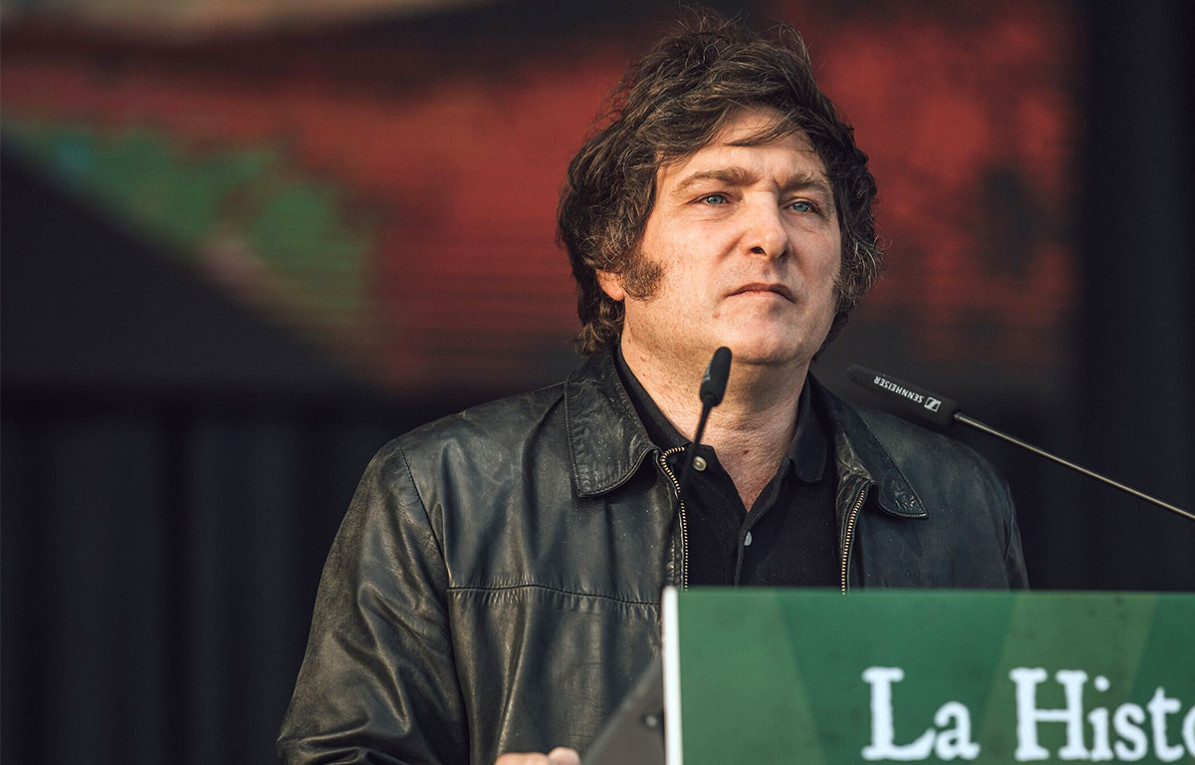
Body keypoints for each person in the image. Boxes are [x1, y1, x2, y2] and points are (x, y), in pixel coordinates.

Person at [277, 12, 1027, 765]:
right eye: (716, 196)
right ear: (612, 258)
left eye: (804, 204)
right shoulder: (443, 490)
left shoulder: (955, 501)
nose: (771, 235)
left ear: (843, 268)